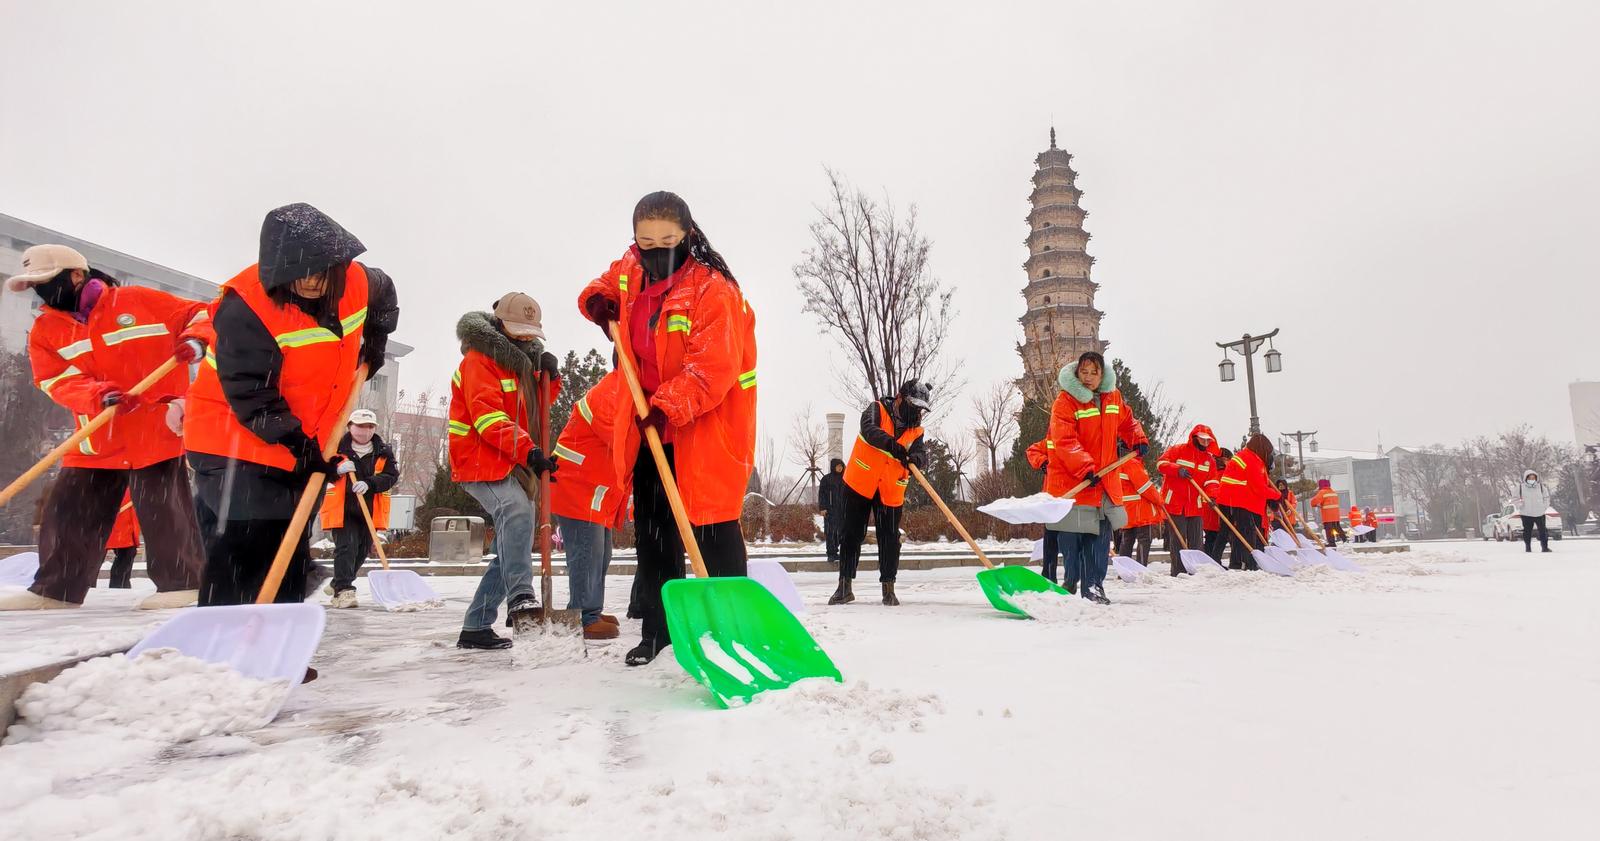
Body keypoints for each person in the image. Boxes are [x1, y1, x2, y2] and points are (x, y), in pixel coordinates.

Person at [185, 204, 399, 620]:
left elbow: (386, 294)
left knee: (286, 532)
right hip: (231, 434)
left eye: (319, 274)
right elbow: (251, 394)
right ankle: (226, 638)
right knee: (250, 533)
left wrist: (375, 339)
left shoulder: (359, 280)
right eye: (297, 277)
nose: (308, 285)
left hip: (306, 433)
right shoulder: (246, 308)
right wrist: (299, 446)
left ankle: (272, 633)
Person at [578, 191, 757, 666]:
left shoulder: (713, 290)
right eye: (645, 242)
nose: (655, 251)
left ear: (689, 236)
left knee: (713, 530)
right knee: (654, 537)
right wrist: (598, 300)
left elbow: (712, 370)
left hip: (703, 428)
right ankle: (658, 632)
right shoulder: (632, 268)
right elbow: (608, 281)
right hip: (646, 427)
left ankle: (734, 630)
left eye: (667, 241)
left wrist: (666, 406)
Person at [0, 244, 208, 612]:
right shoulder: (46, 329)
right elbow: (52, 380)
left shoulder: (138, 301)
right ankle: (57, 590)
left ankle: (182, 584)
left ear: (76, 275)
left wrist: (198, 338)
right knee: (69, 510)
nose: (42, 292)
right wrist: (98, 395)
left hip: (155, 428)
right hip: (97, 434)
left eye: (47, 282)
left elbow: (205, 314)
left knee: (164, 509)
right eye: (36, 286)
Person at [448, 293, 560, 649]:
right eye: (519, 331)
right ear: (500, 325)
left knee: (514, 540)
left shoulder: (521, 363)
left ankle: (476, 626)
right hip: (480, 459)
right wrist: (530, 451)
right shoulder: (480, 361)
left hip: (508, 460)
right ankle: (522, 597)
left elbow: (535, 408)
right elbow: (488, 419)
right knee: (516, 512)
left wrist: (550, 378)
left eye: (531, 333)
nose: (526, 338)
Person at [1045, 352, 1148, 603]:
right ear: (1077, 373)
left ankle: (1094, 587)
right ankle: (1072, 581)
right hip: (1078, 481)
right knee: (1074, 539)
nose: (1089, 377)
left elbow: (1127, 421)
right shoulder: (1065, 402)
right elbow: (1064, 440)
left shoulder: (1113, 397)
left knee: (1101, 539)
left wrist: (1138, 439)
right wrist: (1085, 467)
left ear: (1102, 375)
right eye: (1084, 372)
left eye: (1094, 372)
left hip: (1105, 482)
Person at [832, 381, 930, 607]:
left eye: (920, 408)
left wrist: (917, 459)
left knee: (890, 539)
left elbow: (922, 454)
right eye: (913, 405)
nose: (916, 412)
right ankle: (844, 587)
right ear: (899, 398)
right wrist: (892, 444)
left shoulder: (916, 430)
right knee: (850, 534)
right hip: (860, 483)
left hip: (891, 488)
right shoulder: (876, 409)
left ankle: (888, 589)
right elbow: (869, 430)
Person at [550, 372, 628, 640]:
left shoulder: (624, 390)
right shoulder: (611, 391)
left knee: (601, 554)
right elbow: (620, 440)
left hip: (593, 492)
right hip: (577, 487)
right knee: (587, 553)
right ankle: (583, 616)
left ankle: (592, 608)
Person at [318, 409, 400, 608]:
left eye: (370, 426)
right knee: (347, 547)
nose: (365, 431)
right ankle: (344, 591)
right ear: (350, 426)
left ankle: (338, 581)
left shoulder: (383, 451)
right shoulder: (336, 447)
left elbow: (391, 476)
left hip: (370, 508)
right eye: (360, 426)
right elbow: (318, 472)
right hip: (343, 508)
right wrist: (335, 470)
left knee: (361, 550)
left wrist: (370, 483)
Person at [1156, 424, 1221, 576]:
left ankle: (1196, 571)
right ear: (1195, 437)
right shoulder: (1178, 450)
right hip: (1175, 504)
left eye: (1208, 441)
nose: (1205, 443)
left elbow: (1211, 482)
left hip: (1195, 506)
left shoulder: (1209, 461)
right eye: (1202, 439)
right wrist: (1177, 470)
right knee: (1178, 541)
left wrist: (1212, 496)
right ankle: (1178, 572)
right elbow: (1161, 464)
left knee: (1196, 541)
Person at [1215, 434, 1280, 570]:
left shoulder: (1252, 458)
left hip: (1236, 499)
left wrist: (1272, 496)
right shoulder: (1252, 460)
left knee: (1239, 533)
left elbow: (1258, 485)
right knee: (1246, 532)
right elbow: (1259, 488)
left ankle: (1237, 563)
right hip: (1236, 500)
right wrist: (1276, 496)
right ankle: (1249, 564)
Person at [1026, 438, 1061, 583]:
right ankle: (1048, 573)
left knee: (1071, 540)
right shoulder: (1051, 441)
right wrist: (1043, 461)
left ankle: (1073, 576)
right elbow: (1032, 450)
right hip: (1052, 498)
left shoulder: (1080, 440)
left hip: (1075, 497)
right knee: (1051, 538)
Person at [1114, 456, 1161, 566]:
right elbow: (1144, 487)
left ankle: (1124, 569)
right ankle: (1140, 568)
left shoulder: (1120, 464)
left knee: (1127, 540)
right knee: (1144, 539)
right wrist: (1159, 499)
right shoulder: (1132, 463)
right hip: (1140, 510)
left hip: (1128, 509)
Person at [104, 492, 139, 589]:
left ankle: (122, 587)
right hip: (124, 534)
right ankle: (118, 588)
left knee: (125, 561)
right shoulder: (127, 491)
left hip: (125, 533)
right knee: (123, 561)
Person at [1201, 448, 1230, 561]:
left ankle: (1213, 560)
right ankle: (1213, 561)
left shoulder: (1216, 472)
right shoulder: (1219, 474)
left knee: (1212, 537)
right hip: (1214, 510)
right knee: (1213, 537)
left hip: (1213, 511)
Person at [817, 458, 846, 564]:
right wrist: (822, 508)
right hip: (830, 510)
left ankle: (838, 552)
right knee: (831, 533)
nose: (840, 468)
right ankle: (831, 554)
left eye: (841, 466)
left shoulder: (846, 479)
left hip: (842, 511)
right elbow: (822, 494)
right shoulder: (826, 479)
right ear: (833, 466)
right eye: (838, 466)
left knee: (841, 533)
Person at [1517, 469, 1553, 553]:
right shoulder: (1520, 487)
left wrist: (1544, 506)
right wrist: (1520, 505)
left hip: (1539, 513)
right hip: (1526, 513)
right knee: (1527, 531)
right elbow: (1515, 499)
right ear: (1526, 478)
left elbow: (1546, 497)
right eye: (1530, 478)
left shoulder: (1541, 487)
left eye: (1533, 478)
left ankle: (1545, 547)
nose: (1532, 480)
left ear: (1536, 478)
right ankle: (1528, 547)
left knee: (1543, 531)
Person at [1309, 479, 1347, 544]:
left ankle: (1332, 543)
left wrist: (1313, 504)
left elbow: (1314, 501)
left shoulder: (1322, 492)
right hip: (1335, 515)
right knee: (1337, 527)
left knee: (1329, 529)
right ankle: (1345, 539)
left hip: (1328, 515)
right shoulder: (1333, 492)